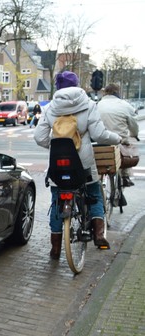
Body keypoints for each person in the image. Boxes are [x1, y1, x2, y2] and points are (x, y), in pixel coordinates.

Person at [34, 71, 121, 258]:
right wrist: (117, 138)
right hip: (84, 164)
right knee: (94, 194)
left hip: (58, 165)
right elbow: (99, 135)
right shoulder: (88, 105)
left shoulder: (50, 107)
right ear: (77, 84)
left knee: (57, 200)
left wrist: (57, 145)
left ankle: (56, 248)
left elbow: (39, 137)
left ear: (58, 87)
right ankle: (98, 235)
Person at [96, 83, 140, 187]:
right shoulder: (124, 105)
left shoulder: (98, 104)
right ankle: (125, 176)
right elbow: (133, 123)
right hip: (119, 139)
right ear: (117, 93)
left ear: (105, 93)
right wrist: (134, 134)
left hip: (101, 139)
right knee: (126, 148)